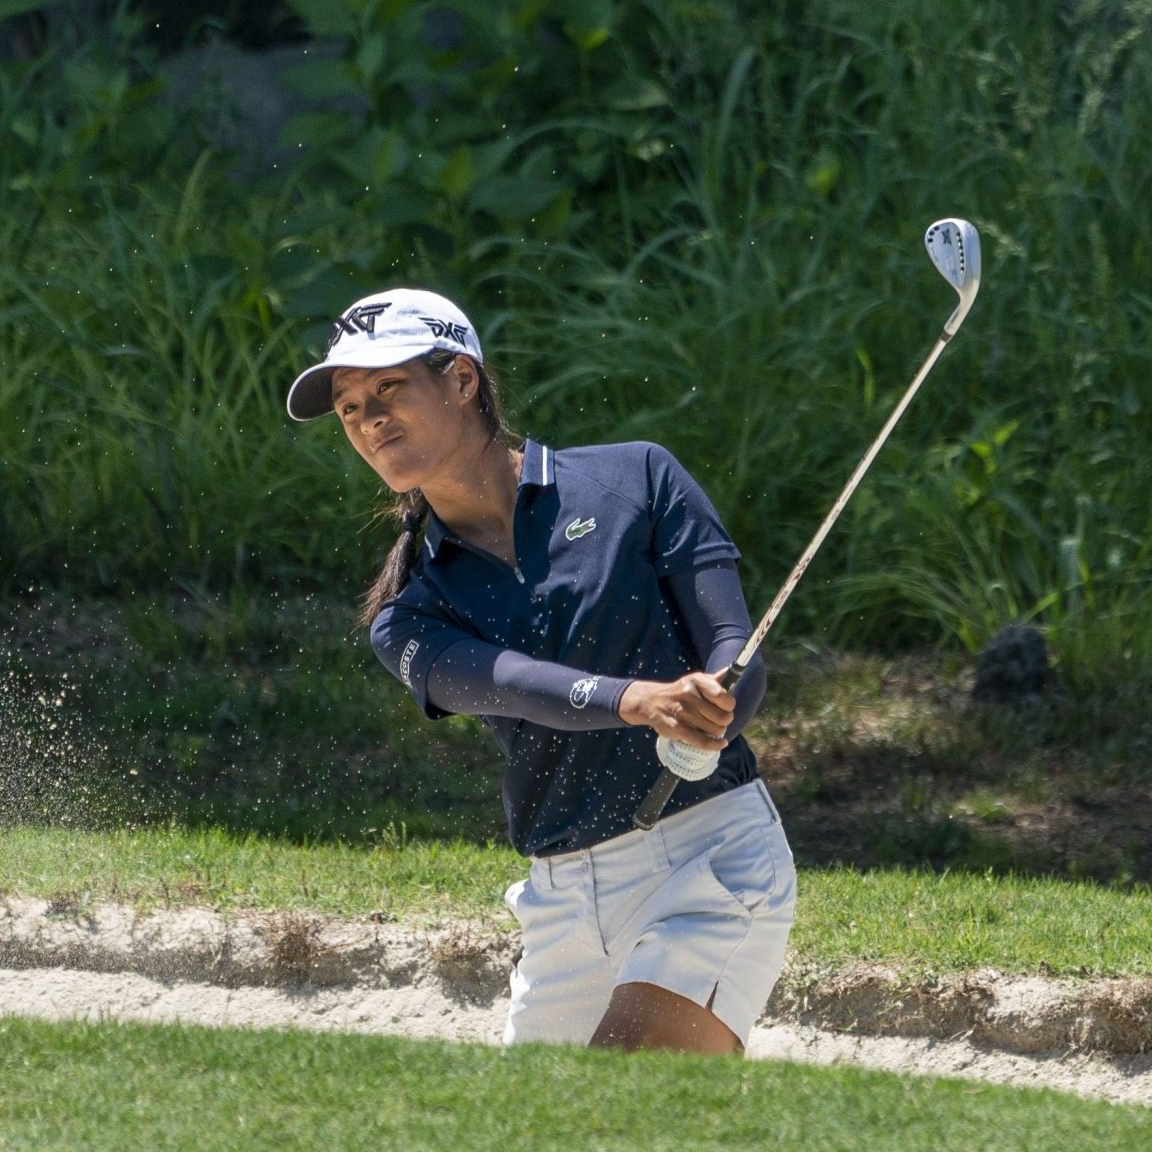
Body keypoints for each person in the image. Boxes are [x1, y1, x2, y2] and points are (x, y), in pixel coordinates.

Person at [285, 289, 795, 1054]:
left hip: (707, 862)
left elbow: (731, 638)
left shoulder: (637, 480)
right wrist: (639, 701)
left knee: (621, 1106)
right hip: (561, 900)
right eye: (351, 408)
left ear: (461, 379)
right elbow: (515, 683)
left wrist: (717, 700)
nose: (369, 420)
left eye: (389, 388)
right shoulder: (407, 613)